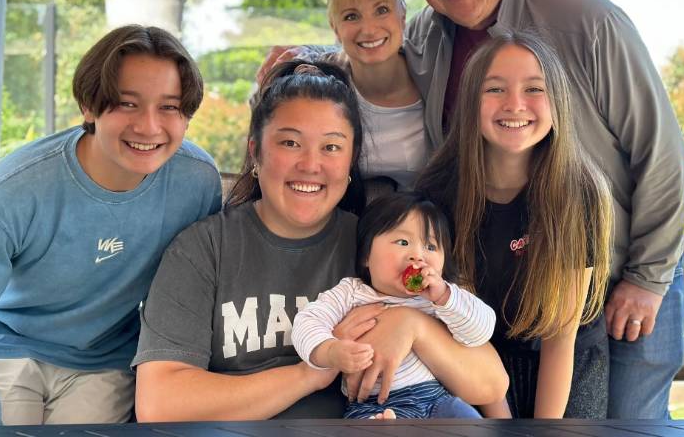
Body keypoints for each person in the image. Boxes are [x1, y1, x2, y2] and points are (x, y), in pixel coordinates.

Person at [395, 0, 684, 419]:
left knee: (632, 422)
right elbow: (366, 54)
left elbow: (662, 151)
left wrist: (647, 280)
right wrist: (307, 61)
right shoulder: (425, 38)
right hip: (500, 296)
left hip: (618, 270)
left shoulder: (586, 20)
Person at [133, 60, 509, 421]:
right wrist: (310, 373)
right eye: (290, 143)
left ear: (351, 160)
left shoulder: (380, 245)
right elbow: (162, 404)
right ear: (255, 152)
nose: (310, 165)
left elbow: (490, 384)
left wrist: (412, 325)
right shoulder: (205, 248)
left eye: (331, 147)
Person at [0, 25, 223, 426]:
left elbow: (196, 294)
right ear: (89, 107)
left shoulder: (196, 181)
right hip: (3, 347)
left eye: (169, 107)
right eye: (127, 104)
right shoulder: (14, 192)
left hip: (104, 362)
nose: (149, 126)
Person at [417, 33, 614, 418]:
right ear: (471, 101)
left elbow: (561, 337)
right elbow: (462, 323)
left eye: (534, 89)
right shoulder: (439, 191)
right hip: (478, 352)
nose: (515, 104)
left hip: (564, 357)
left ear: (558, 103)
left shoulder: (581, 191)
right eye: (495, 88)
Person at [293, 191, 495, 419]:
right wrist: (330, 351)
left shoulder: (440, 299)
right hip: (372, 404)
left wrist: (446, 297)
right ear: (366, 256)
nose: (418, 256)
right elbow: (307, 321)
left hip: (437, 400)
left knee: (470, 422)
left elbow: (482, 330)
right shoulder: (351, 293)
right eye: (403, 242)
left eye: (430, 247)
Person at [326, 0, 428, 190]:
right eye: (351, 16)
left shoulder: (435, 74)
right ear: (335, 28)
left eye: (382, 10)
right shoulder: (325, 86)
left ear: (402, 15)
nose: (369, 29)